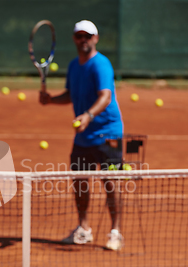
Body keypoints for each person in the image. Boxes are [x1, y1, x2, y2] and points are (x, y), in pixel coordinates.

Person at [39, 20, 124, 251]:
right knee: (80, 183)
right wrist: (51, 100)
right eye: (79, 36)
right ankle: (83, 229)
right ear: (75, 39)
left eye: (88, 36)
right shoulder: (75, 66)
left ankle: (115, 231)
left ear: (95, 38)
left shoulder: (101, 65)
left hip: (108, 134)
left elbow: (105, 97)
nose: (83, 40)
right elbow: (71, 94)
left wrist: (87, 115)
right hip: (84, 135)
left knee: (111, 182)